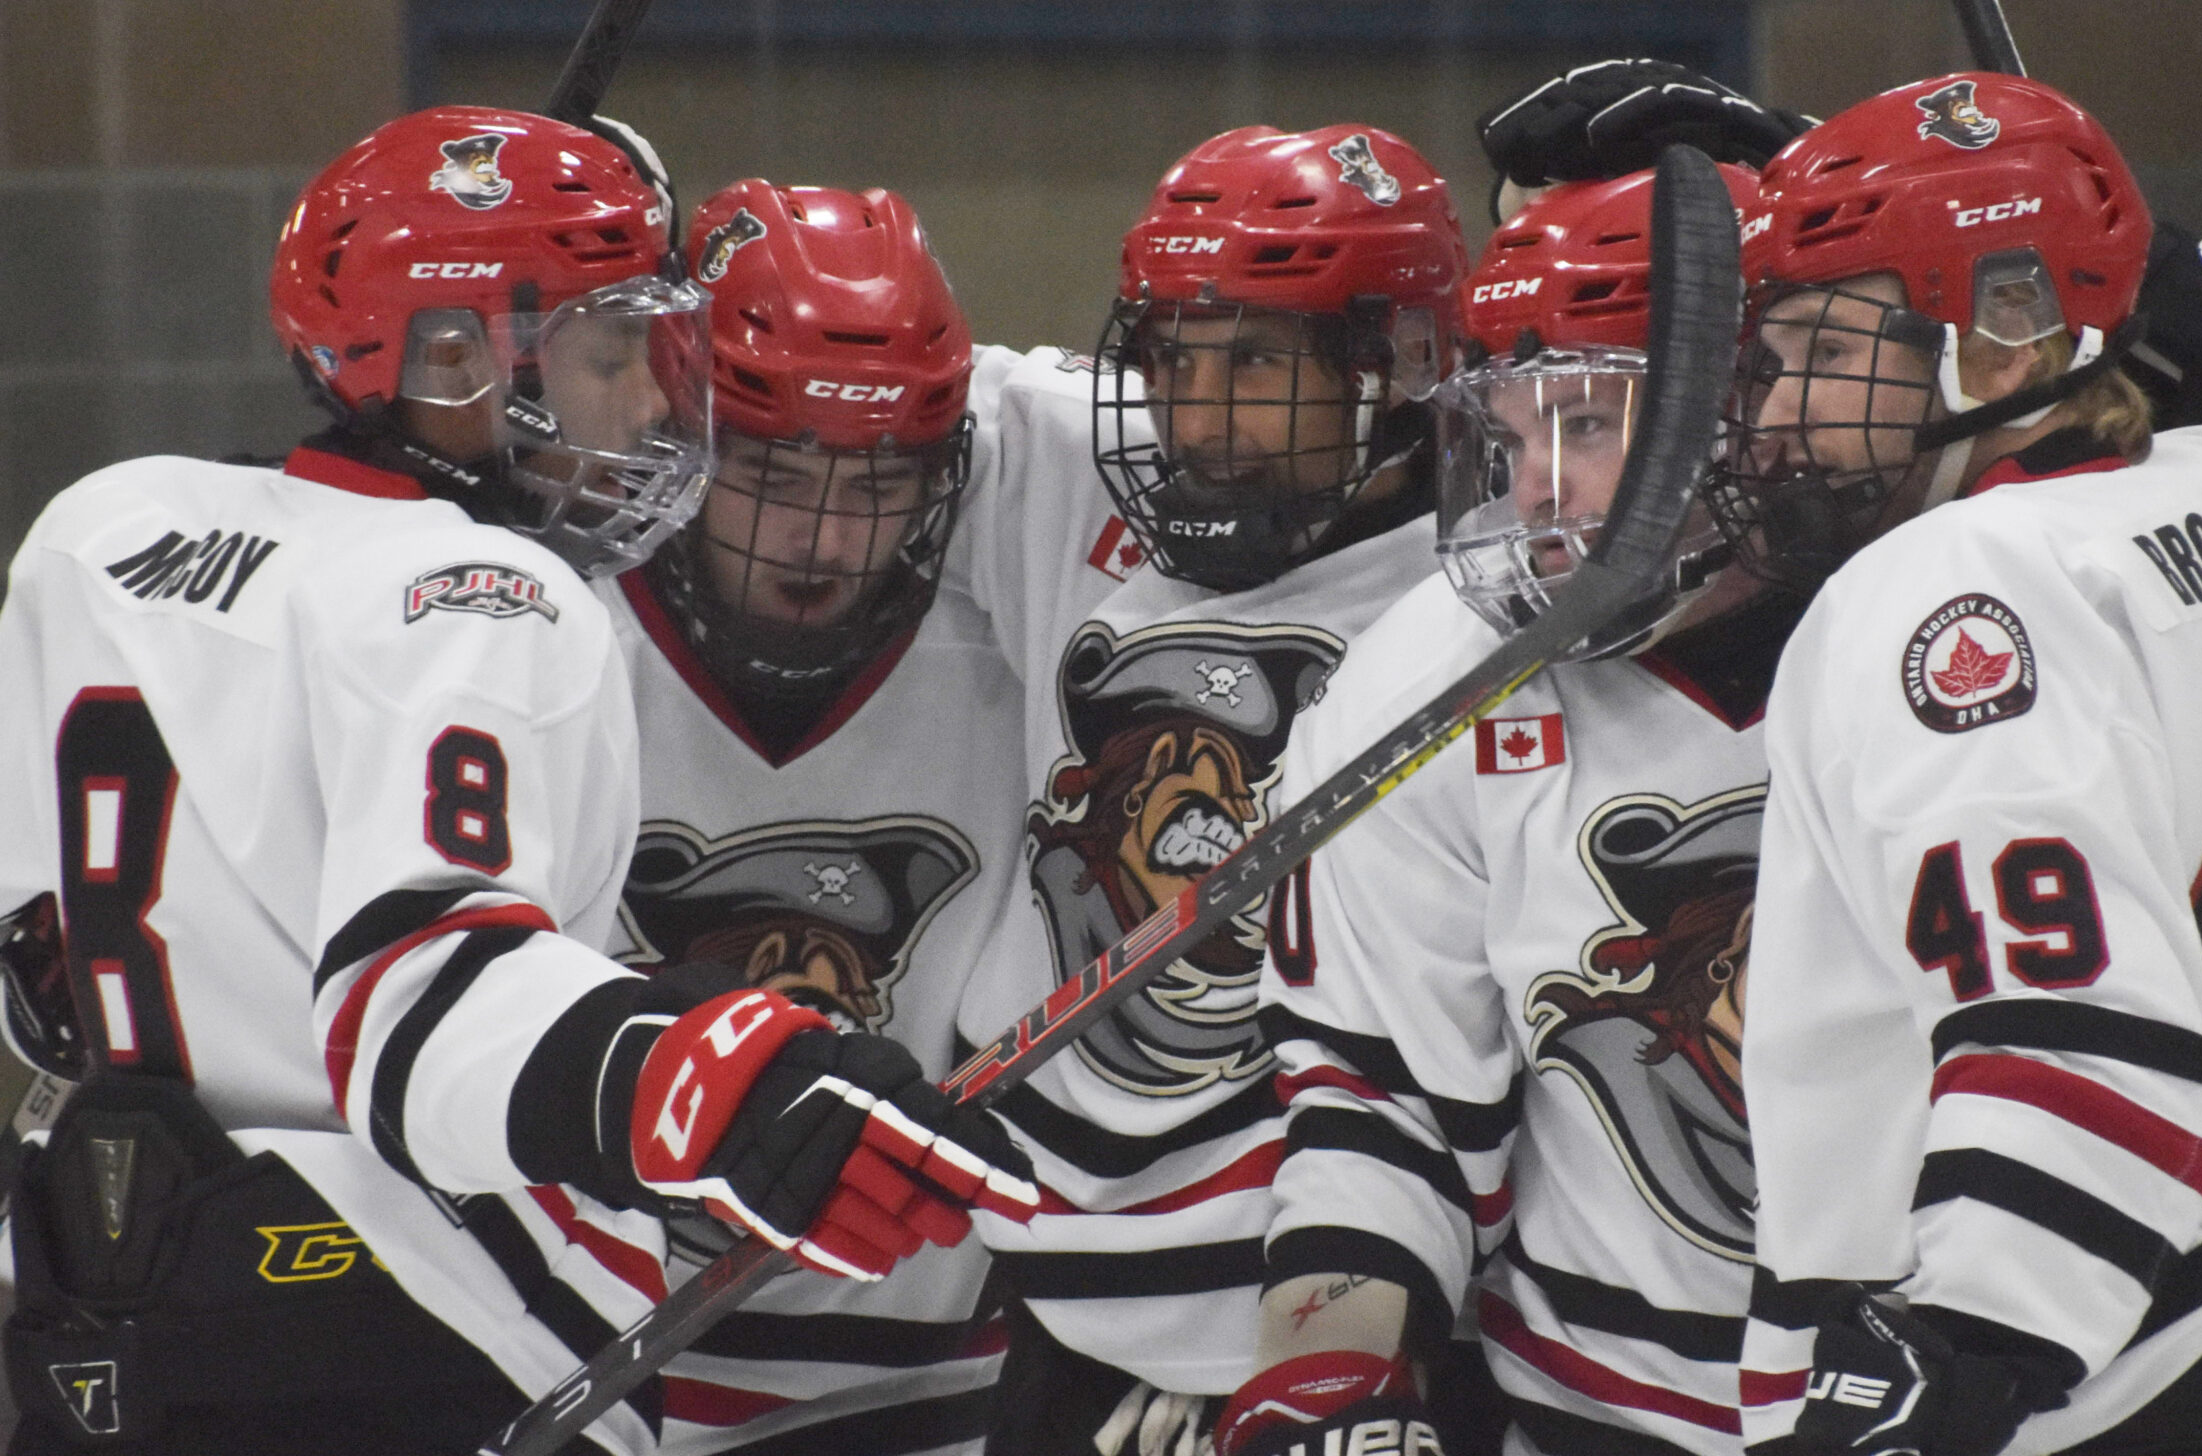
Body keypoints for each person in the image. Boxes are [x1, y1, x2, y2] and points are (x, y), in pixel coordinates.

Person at [0, 106, 1034, 1456]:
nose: (662, 401)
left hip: (96, 1299)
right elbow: (421, 1004)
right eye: (615, 351)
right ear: (453, 362)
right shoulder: (490, 596)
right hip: (408, 1330)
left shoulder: (104, 528)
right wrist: (722, 1081)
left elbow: (36, 965)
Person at [1712, 74, 2202, 1456]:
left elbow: (2083, 1040)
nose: (1779, 415)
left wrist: (1948, 1369)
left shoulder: (1934, 594)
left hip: (2061, 1379)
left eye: (1827, 350)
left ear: (2006, 337)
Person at [1219, 162, 1819, 1456]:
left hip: (1958, 1400)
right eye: (1516, 434)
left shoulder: (1935, 629)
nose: (1539, 488)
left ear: (1744, 408)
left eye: (1591, 427)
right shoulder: (1425, 681)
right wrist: (1328, 1378)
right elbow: (1384, 1103)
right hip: (1593, 1417)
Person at [957, 122, 1472, 1456]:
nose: (1200, 424)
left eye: (1253, 364)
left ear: (1400, 365)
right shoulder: (1072, 493)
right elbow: (854, 368)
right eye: (1177, 363)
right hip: (1055, 1315)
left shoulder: (1477, 606)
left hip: (1336, 1322)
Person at [604, 176, 1078, 1455]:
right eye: (768, 469)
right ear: (674, 427)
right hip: (587, 1357)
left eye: (875, 482)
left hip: (929, 1376)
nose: (820, 538)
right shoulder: (552, 640)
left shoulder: (1014, 646)